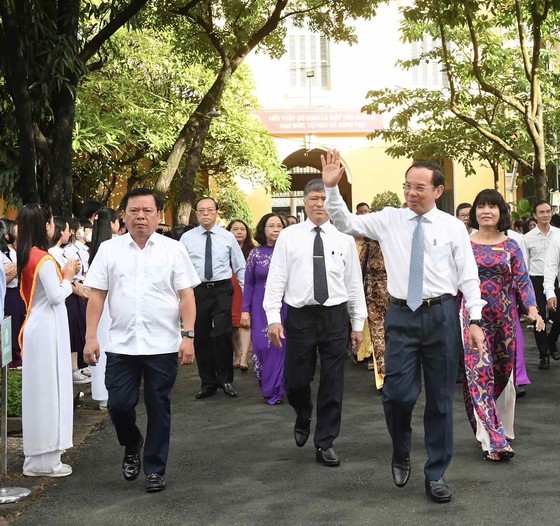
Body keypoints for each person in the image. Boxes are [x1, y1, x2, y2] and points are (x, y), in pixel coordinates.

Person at [322, 151, 485, 503]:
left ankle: (436, 472)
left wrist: (475, 319)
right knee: (397, 395)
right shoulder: (388, 219)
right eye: (407, 186)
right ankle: (401, 447)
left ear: (438, 191)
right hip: (401, 317)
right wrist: (332, 189)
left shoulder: (453, 227)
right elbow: (344, 222)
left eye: (420, 187)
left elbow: (468, 276)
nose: (412, 193)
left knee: (440, 401)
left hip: (441, 316)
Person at [83, 188, 199, 493]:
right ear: (123, 215)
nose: (140, 216)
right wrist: (90, 337)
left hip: (162, 344)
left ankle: (155, 469)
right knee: (119, 405)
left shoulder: (173, 250)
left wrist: (188, 336)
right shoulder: (109, 251)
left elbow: (187, 296)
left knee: (159, 405)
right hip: (121, 344)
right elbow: (96, 295)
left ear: (158, 216)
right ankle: (132, 441)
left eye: (147, 211)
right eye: (134, 210)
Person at [263, 179, 366, 468]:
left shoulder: (344, 239)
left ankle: (326, 442)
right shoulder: (289, 236)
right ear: (305, 203)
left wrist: (357, 323)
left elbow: (354, 284)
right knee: (296, 381)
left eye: (324, 199)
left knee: (333, 382)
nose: (319, 204)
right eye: (314, 199)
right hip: (300, 316)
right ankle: (303, 412)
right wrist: (273, 318)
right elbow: (276, 280)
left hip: (334, 316)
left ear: (333, 204)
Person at [464, 190, 544, 461]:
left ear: (501, 212)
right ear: (475, 212)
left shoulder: (510, 246)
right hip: (473, 320)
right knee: (480, 374)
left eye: (492, 206)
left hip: (504, 319)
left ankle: (490, 427)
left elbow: (522, 280)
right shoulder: (464, 244)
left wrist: (533, 309)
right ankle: (494, 441)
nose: (486, 211)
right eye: (481, 206)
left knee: (501, 375)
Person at [17, 204, 79, 477]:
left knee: (40, 392)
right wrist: (68, 278)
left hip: (41, 329)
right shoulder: (41, 258)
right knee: (49, 391)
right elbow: (56, 296)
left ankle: (38, 459)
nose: (54, 226)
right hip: (46, 331)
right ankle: (47, 460)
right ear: (45, 226)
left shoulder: (29, 255)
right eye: (52, 221)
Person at [180, 198, 245, 400]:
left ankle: (225, 379)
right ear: (196, 213)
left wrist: (247, 296)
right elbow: (180, 268)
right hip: (198, 290)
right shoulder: (187, 238)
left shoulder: (227, 237)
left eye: (210, 210)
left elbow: (239, 266)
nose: (205, 214)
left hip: (222, 288)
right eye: (201, 211)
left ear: (217, 212)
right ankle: (208, 382)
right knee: (201, 335)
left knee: (222, 332)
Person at [241, 213, 286, 405]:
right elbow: (248, 284)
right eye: (271, 226)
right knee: (261, 346)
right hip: (259, 307)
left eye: (279, 226)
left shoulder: (290, 253)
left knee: (282, 346)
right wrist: (245, 310)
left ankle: (279, 389)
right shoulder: (256, 254)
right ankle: (267, 386)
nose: (275, 229)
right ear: (263, 230)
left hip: (285, 307)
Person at [49, 217, 90, 385]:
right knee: (71, 331)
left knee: (76, 330)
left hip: (72, 290)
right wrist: (74, 285)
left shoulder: (61, 251)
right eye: (66, 229)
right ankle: (72, 368)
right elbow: (62, 275)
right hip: (67, 293)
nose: (68, 232)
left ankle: (75, 367)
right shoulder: (52, 253)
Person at [87, 207, 120, 410]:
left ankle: (101, 393)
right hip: (113, 302)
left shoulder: (93, 246)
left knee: (100, 344)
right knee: (112, 346)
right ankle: (113, 390)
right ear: (112, 223)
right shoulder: (115, 246)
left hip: (98, 303)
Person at [524, 200, 560, 370]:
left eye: (548, 211)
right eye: (542, 212)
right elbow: (524, 262)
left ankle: (552, 340)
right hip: (535, 280)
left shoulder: (558, 234)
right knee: (540, 318)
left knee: (558, 317)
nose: (546, 215)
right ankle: (544, 355)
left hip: (555, 280)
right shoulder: (528, 238)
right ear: (535, 215)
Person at [226, 219, 255, 370]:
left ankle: (244, 356)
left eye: (242, 229)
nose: (239, 232)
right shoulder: (224, 248)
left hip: (247, 289)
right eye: (235, 229)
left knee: (245, 322)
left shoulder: (252, 250)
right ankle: (237, 353)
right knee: (232, 324)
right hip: (229, 290)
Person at [0, 218, 24, 368]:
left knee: (16, 325)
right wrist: (9, 273)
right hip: (7, 294)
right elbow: (5, 279)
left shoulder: (13, 252)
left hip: (16, 292)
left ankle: (16, 357)